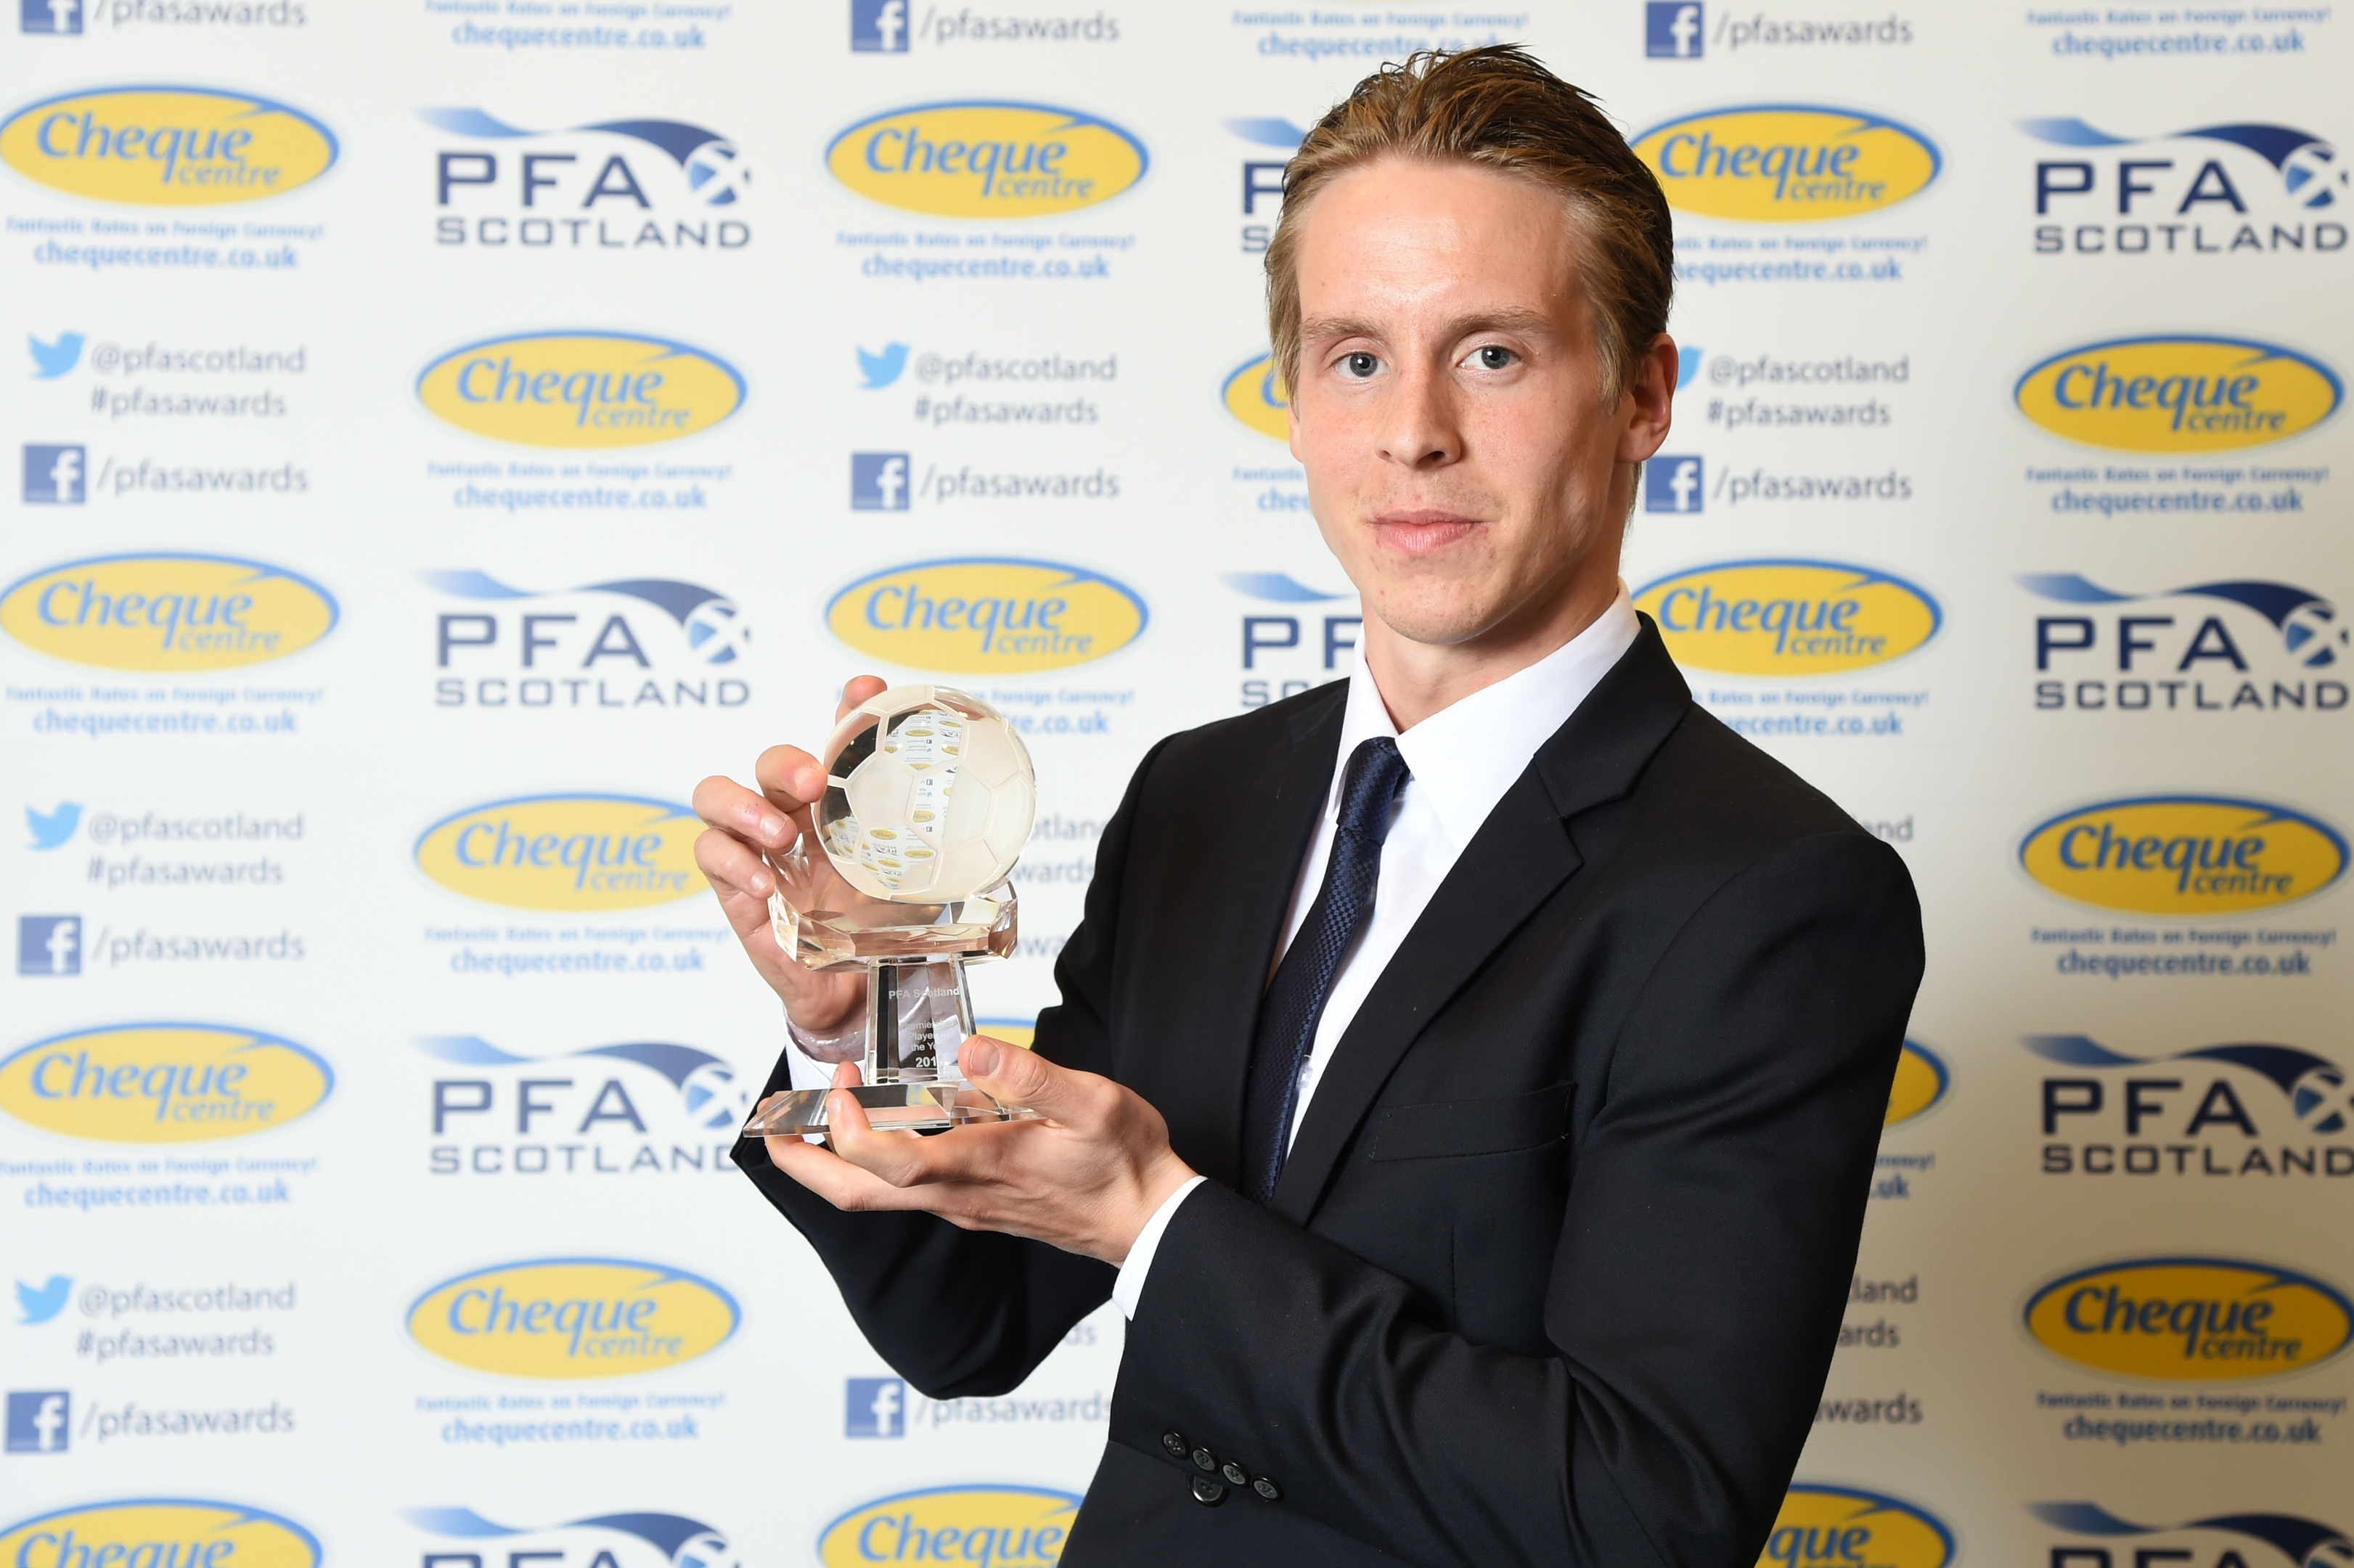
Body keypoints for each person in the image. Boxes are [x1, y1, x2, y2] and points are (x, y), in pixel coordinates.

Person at [693, 44, 1924, 1567]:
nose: (1412, 431)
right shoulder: (1201, 798)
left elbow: (1638, 1516)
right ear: (1290, 402)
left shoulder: (1768, 891)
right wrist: (870, 1010)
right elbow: (971, 1319)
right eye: (1355, 356)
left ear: (1641, 395)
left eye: (1491, 354)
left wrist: (1156, 1217)